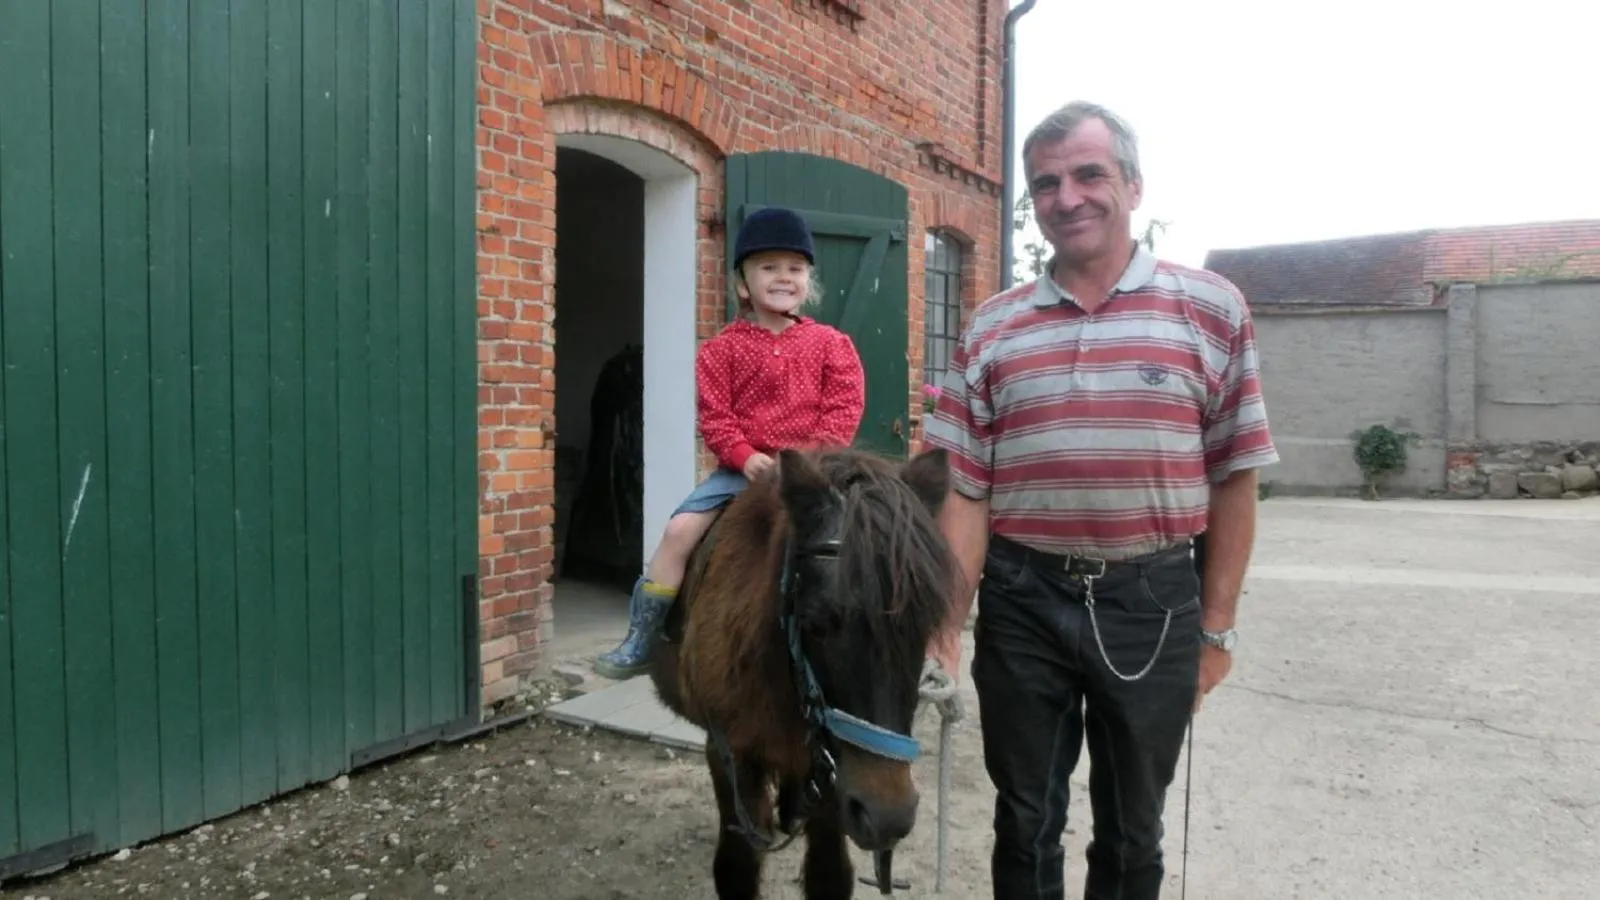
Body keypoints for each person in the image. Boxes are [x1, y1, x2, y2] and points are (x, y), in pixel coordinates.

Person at [922, 101, 1278, 900]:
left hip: (1151, 601)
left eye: (1089, 174)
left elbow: (1235, 475)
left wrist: (1216, 626)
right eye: (1046, 183)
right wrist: (946, 624)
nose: (1067, 196)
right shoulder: (991, 328)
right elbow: (967, 491)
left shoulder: (1212, 309)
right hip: (1021, 598)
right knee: (1024, 817)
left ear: (1133, 186)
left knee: (1132, 825)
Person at [592, 206, 867, 680]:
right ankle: (643, 636)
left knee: (857, 537)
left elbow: (843, 409)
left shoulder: (832, 345)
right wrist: (747, 459)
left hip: (815, 471)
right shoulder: (721, 349)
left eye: (795, 268)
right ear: (743, 283)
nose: (783, 277)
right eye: (768, 267)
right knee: (679, 532)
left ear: (809, 280)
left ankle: (873, 633)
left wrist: (810, 460)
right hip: (741, 472)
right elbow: (716, 419)